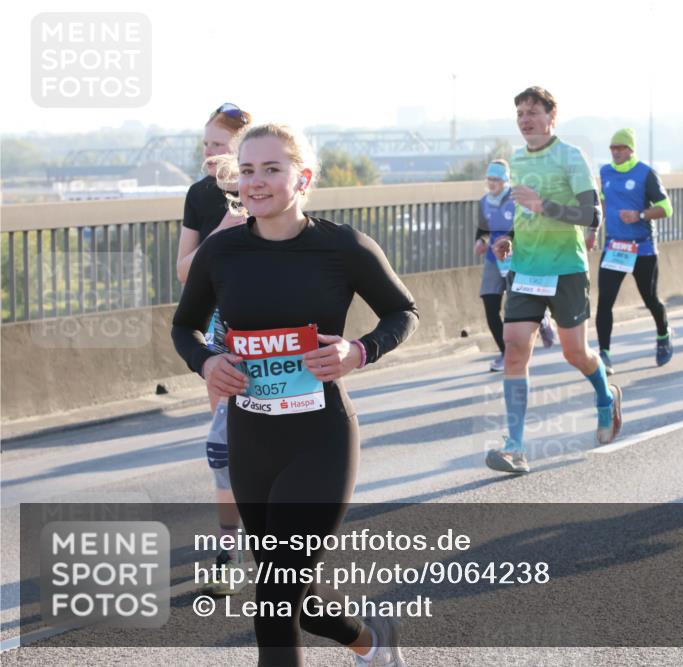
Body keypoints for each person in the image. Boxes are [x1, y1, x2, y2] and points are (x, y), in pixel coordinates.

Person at [172, 123, 418, 666]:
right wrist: (207, 361)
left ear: (301, 178)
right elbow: (183, 328)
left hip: (320, 440)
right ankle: (372, 641)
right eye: (248, 170)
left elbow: (404, 312)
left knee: (274, 598)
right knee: (296, 600)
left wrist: (360, 351)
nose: (257, 182)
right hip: (251, 440)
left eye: (272, 169)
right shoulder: (222, 254)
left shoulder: (343, 246)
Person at [485, 86, 621, 474]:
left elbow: (591, 215)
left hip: (566, 269)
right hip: (526, 269)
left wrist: (542, 204)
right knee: (514, 349)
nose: (525, 119)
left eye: (532, 112)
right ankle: (514, 446)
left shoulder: (570, 156)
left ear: (551, 116)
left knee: (574, 353)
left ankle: (606, 396)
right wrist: (509, 241)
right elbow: (524, 215)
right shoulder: (515, 159)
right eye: (520, 114)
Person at [175, 103, 252, 595]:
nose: (209, 154)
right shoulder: (201, 196)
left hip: (269, 332)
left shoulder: (265, 188)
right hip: (217, 332)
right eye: (205, 144)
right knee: (225, 444)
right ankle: (231, 550)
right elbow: (185, 272)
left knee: (262, 441)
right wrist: (223, 230)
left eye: (219, 145)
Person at [595, 128, 675, 374]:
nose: (616, 152)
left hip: (642, 248)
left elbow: (666, 208)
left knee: (650, 298)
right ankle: (604, 355)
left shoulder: (645, 173)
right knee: (604, 302)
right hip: (615, 247)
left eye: (621, 148)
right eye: (613, 148)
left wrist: (639, 215)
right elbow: (603, 203)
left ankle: (663, 334)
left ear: (631, 150)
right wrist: (592, 229)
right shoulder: (605, 172)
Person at [474, 159, 555, 372]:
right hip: (494, 260)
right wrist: (481, 242)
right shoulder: (484, 202)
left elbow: (528, 227)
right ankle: (505, 353)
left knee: (517, 306)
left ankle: (543, 318)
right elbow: (483, 229)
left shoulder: (517, 200)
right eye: (489, 179)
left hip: (517, 258)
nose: (492, 183)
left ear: (505, 180)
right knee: (490, 306)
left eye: (496, 179)